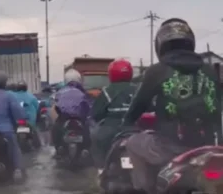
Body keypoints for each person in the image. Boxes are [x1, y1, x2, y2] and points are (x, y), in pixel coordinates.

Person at [123, 18, 222, 193]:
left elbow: (137, 108)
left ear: (161, 43)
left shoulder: (156, 70)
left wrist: (127, 123)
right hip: (211, 146)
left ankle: (145, 189)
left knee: (132, 143)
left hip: (170, 147)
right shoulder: (210, 71)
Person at [90, 59, 137, 174]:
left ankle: (101, 171)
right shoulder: (139, 88)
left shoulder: (106, 91)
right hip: (136, 128)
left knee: (95, 140)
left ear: (112, 74)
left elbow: (96, 114)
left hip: (112, 128)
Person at [51, 69, 91, 157]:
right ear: (79, 79)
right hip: (79, 119)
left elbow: (57, 107)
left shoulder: (60, 92)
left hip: (64, 119)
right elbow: (88, 108)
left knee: (55, 128)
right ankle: (86, 149)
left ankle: (58, 148)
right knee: (88, 128)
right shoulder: (83, 92)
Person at [14, 80, 41, 147]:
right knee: (36, 139)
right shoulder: (32, 97)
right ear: (26, 88)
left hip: (15, 120)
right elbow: (38, 108)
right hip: (29, 121)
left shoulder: (12, 97)